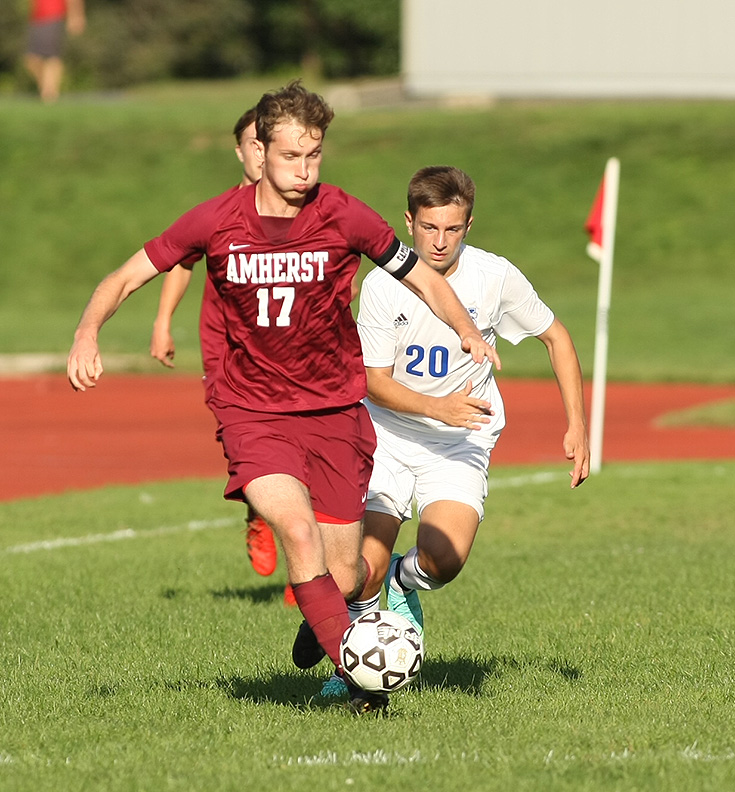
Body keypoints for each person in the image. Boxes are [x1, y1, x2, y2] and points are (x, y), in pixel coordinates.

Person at [67, 81, 500, 715]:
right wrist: (87, 329)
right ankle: (364, 686)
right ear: (259, 151)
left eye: (314, 156)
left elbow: (420, 276)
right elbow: (129, 273)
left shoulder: (346, 215)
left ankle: (326, 617)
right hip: (252, 411)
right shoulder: (215, 219)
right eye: (291, 156)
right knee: (297, 532)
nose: (303, 171)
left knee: (347, 575)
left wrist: (465, 328)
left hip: (334, 415)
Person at [320, 165, 589, 698]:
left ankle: (402, 583)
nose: (439, 242)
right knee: (357, 571)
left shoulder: (495, 277)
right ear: (408, 222)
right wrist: (434, 407)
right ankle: (351, 666)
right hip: (389, 434)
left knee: (444, 562)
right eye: (428, 228)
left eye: (453, 229)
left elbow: (556, 337)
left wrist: (578, 426)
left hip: (460, 438)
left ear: (469, 224)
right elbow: (370, 380)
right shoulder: (381, 285)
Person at [147, 107, 294, 606]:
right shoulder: (218, 213)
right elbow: (179, 262)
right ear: (241, 151)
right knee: (256, 453)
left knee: (312, 453)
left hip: (297, 357)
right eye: (252, 144)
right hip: (231, 359)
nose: (260, 153)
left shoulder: (304, 207)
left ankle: (308, 573)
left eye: (266, 143)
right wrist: (164, 322)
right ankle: (259, 510)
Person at [24, 0, 85, 104]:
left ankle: (50, 94)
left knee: (52, 56)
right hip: (36, 18)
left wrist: (76, 16)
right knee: (31, 60)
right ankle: (47, 91)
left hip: (53, 16)